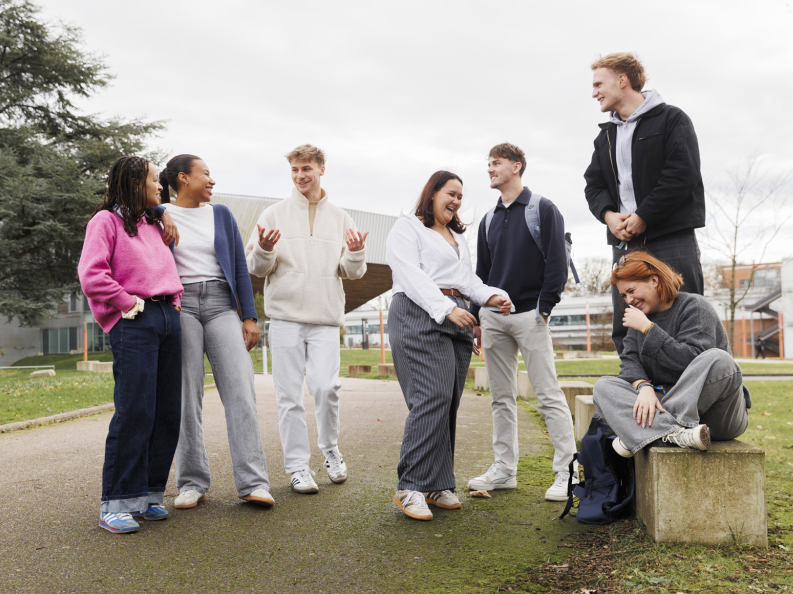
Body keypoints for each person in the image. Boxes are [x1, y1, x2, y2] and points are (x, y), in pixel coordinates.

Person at [386, 171, 512, 521]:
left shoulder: (457, 237)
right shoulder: (407, 227)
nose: (456, 201)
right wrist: (445, 309)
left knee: (448, 401)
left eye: (460, 196)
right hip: (418, 311)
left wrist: (492, 297)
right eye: (450, 193)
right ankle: (410, 486)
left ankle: (437, 483)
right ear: (432, 193)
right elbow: (410, 275)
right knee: (432, 397)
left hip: (457, 316)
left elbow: (467, 281)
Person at [244, 144, 368, 494]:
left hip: (325, 317)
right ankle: (298, 467)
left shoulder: (341, 218)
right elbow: (256, 267)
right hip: (285, 318)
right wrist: (265, 248)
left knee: (326, 388)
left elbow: (352, 272)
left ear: (321, 169)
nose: (300, 175)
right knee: (289, 397)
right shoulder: (273, 214)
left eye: (306, 169)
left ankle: (330, 448)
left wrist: (356, 252)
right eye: (295, 170)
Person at [157, 154, 274, 510]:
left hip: (222, 304)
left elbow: (239, 264)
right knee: (185, 395)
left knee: (241, 389)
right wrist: (159, 211)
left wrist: (249, 316)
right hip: (181, 306)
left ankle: (253, 482)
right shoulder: (157, 214)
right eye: (205, 174)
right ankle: (191, 483)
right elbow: (118, 208)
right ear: (183, 178)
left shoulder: (220, 214)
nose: (212, 181)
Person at [78, 156, 184, 534]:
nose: (161, 186)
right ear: (136, 183)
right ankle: (117, 502)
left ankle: (149, 495)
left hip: (168, 318)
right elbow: (91, 275)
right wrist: (126, 302)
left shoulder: (154, 222)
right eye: (155, 180)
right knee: (135, 410)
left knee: (167, 412)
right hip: (135, 319)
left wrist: (175, 303)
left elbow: (167, 266)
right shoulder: (105, 221)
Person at [467, 143, 577, 503]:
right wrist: (477, 316)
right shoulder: (488, 219)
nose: (489, 169)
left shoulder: (542, 208)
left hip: (531, 315)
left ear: (516, 166)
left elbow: (557, 263)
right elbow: (481, 274)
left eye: (496, 163)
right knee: (501, 398)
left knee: (548, 395)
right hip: (493, 319)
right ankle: (504, 470)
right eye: (488, 164)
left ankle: (567, 472)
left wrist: (544, 308)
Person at [583, 52, 706, 354]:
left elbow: (682, 174)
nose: (594, 92)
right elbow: (594, 185)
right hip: (625, 244)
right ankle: (636, 380)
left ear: (622, 80)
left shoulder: (672, 119)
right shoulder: (605, 137)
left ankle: (698, 380)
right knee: (627, 324)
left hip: (671, 238)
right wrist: (609, 215)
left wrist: (644, 216)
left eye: (599, 84)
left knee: (686, 312)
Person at [591, 253, 750, 458]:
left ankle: (643, 432)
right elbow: (630, 361)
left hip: (717, 415)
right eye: (623, 296)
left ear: (654, 281)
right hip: (665, 406)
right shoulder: (638, 317)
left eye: (631, 291)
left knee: (720, 360)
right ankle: (673, 434)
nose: (628, 300)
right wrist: (643, 386)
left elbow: (692, 362)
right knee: (603, 387)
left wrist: (648, 329)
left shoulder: (695, 306)